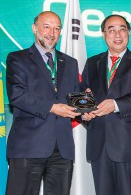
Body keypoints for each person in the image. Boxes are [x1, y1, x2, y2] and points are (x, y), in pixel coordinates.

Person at [5, 11, 81, 195]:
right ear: (34, 28)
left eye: (56, 28)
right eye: (46, 27)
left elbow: (74, 97)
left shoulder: (70, 62)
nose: (51, 33)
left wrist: (85, 108)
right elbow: (17, 95)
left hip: (62, 150)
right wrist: (52, 108)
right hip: (28, 146)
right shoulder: (17, 58)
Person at [80, 14, 131, 195]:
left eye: (122, 29)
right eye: (111, 30)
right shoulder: (92, 63)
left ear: (129, 32)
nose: (117, 34)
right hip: (99, 143)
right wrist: (84, 113)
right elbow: (84, 93)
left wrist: (114, 104)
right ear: (103, 34)